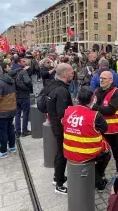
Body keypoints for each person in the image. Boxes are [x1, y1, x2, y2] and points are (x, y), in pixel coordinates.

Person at [62, 86, 111, 191]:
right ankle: (98, 180)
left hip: (68, 151)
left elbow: (64, 123)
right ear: (93, 98)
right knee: (106, 153)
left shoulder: (68, 111)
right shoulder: (95, 115)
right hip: (86, 154)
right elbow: (105, 128)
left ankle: (96, 177)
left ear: (78, 98)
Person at [46, 63, 74, 195]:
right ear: (65, 74)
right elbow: (62, 113)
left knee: (60, 152)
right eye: (71, 72)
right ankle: (59, 185)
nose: (73, 75)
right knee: (63, 154)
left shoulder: (54, 85)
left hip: (55, 124)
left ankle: (58, 176)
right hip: (60, 127)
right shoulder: (62, 91)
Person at [92, 71, 118, 172]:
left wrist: (94, 107)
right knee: (100, 152)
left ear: (111, 80)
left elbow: (110, 110)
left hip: (112, 129)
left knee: (116, 151)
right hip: (99, 127)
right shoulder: (97, 91)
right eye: (100, 78)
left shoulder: (117, 93)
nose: (101, 80)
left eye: (104, 78)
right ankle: (99, 173)